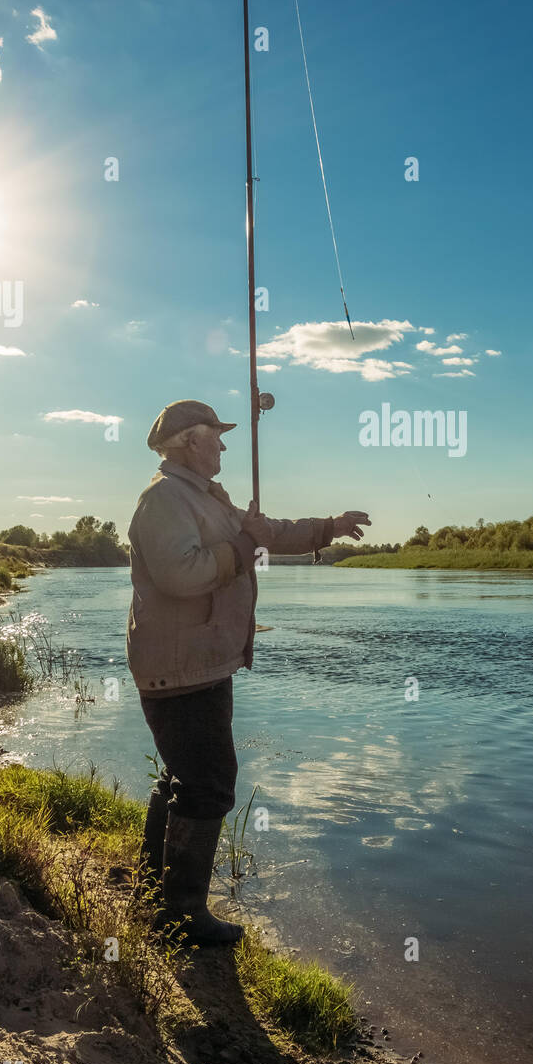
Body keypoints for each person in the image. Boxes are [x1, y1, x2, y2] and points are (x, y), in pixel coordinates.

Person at [126, 399, 370, 945]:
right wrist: (242, 543)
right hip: (180, 668)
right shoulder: (165, 499)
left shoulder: (205, 497)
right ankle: (181, 916)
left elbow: (268, 533)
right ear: (191, 440)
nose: (224, 445)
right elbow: (183, 575)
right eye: (217, 435)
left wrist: (326, 527)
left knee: (186, 778)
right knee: (209, 786)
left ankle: (152, 890)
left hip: (200, 663)